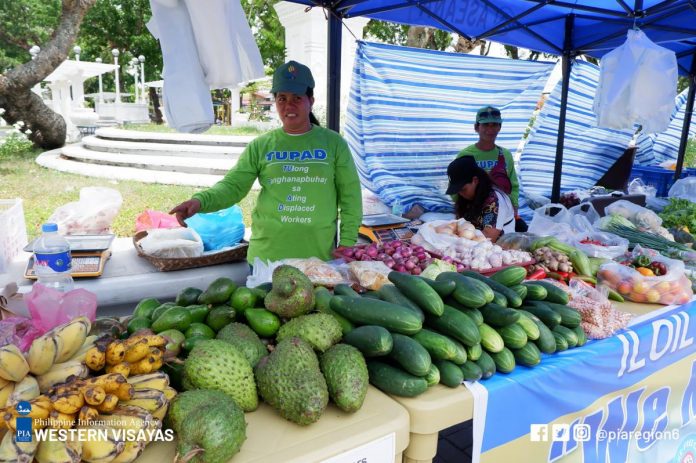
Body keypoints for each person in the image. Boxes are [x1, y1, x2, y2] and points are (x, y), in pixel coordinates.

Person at [170, 60, 363, 263]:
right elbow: (233, 186)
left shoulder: (334, 143)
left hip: (318, 260)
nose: (289, 105)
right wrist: (200, 202)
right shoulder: (261, 146)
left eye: (297, 98)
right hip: (266, 259)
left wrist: (348, 242)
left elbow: (350, 197)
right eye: (282, 98)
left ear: (311, 101)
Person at [456, 106, 528, 231]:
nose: (490, 129)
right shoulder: (466, 155)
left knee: (521, 229)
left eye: (494, 125)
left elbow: (513, 184)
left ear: (500, 127)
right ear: (476, 127)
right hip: (474, 210)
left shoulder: (505, 155)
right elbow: (457, 187)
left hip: (501, 210)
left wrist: (514, 206)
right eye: (485, 125)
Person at [445, 156, 515, 242]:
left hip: (498, 247)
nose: (460, 194)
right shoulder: (468, 196)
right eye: (458, 191)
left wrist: (456, 237)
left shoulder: (495, 201)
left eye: (463, 189)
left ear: (475, 180)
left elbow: (489, 238)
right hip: (469, 244)